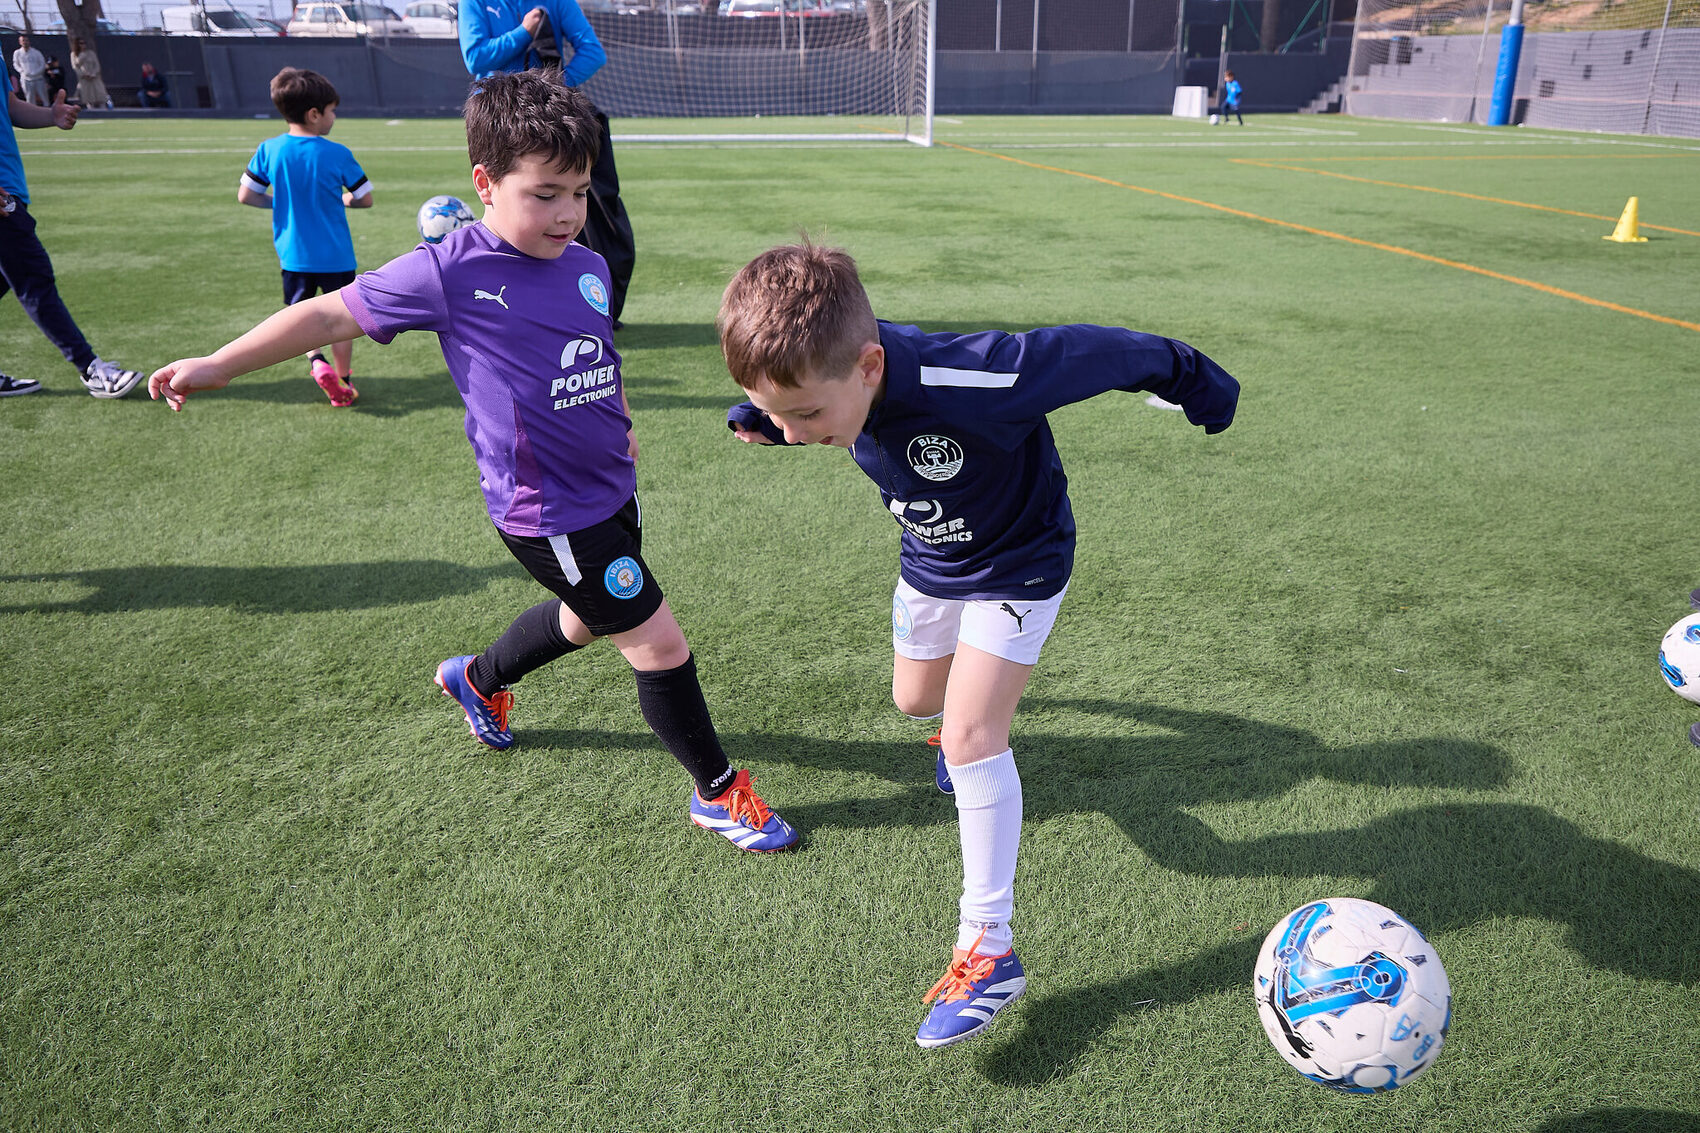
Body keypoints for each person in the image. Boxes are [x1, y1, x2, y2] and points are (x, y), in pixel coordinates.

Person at [149, 71, 797, 855]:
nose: (568, 213)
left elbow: (597, 352)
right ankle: (718, 793)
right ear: (486, 184)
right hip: (549, 511)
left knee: (586, 619)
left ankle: (478, 679)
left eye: (579, 192)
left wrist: (620, 420)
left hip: (610, 489)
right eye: (545, 194)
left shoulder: (587, 265)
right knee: (658, 644)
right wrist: (218, 363)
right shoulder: (449, 271)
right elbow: (324, 313)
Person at [719, 241, 1240, 1047]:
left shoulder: (979, 375)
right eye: (780, 414)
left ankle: (989, 950)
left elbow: (1103, 351)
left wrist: (1196, 379)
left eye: (807, 415)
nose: (794, 431)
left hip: (1020, 560)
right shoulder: (826, 381)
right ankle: (962, 735)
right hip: (931, 555)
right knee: (915, 700)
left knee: (972, 735)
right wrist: (773, 415)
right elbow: (800, 402)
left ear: (869, 366)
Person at [460, 0, 634, 327]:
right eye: (545, 194)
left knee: (569, 214)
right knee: (509, 220)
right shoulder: (476, 2)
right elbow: (476, 58)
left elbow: (593, 52)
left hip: (551, 128)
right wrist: (524, 32)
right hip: (498, 124)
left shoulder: (557, 1)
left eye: (580, 194)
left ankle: (585, 305)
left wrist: (549, 95)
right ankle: (510, 307)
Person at [239, 68, 372, 406]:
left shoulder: (270, 150)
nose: (334, 117)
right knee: (343, 319)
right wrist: (344, 200)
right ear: (314, 114)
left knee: (300, 315)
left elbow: (247, 195)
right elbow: (365, 198)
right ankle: (343, 381)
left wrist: (280, 203)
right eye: (332, 110)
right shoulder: (337, 153)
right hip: (337, 255)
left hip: (294, 256)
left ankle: (316, 361)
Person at [0, 86, 145, 398]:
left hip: (9, 187)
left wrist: (50, 116)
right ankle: (90, 367)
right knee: (33, 278)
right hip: (3, 197)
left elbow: (8, 105)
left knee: (7, 278)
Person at [70, 38, 111, 109]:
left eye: (84, 43)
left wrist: (94, 73)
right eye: (81, 43)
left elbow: (97, 65)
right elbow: (75, 67)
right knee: (88, 97)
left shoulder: (91, 53)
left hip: (94, 77)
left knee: (100, 94)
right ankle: (91, 110)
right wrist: (84, 74)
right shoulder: (74, 54)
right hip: (84, 78)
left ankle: (103, 109)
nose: (83, 45)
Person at [11, 35, 48, 107]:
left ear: (29, 41)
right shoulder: (17, 53)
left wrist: (36, 72)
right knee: (29, 98)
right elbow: (16, 64)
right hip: (25, 79)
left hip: (38, 78)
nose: (25, 42)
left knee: (44, 97)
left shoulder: (36, 52)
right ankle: (32, 112)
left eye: (26, 40)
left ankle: (48, 110)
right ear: (20, 42)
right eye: (23, 41)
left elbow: (42, 64)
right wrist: (22, 71)